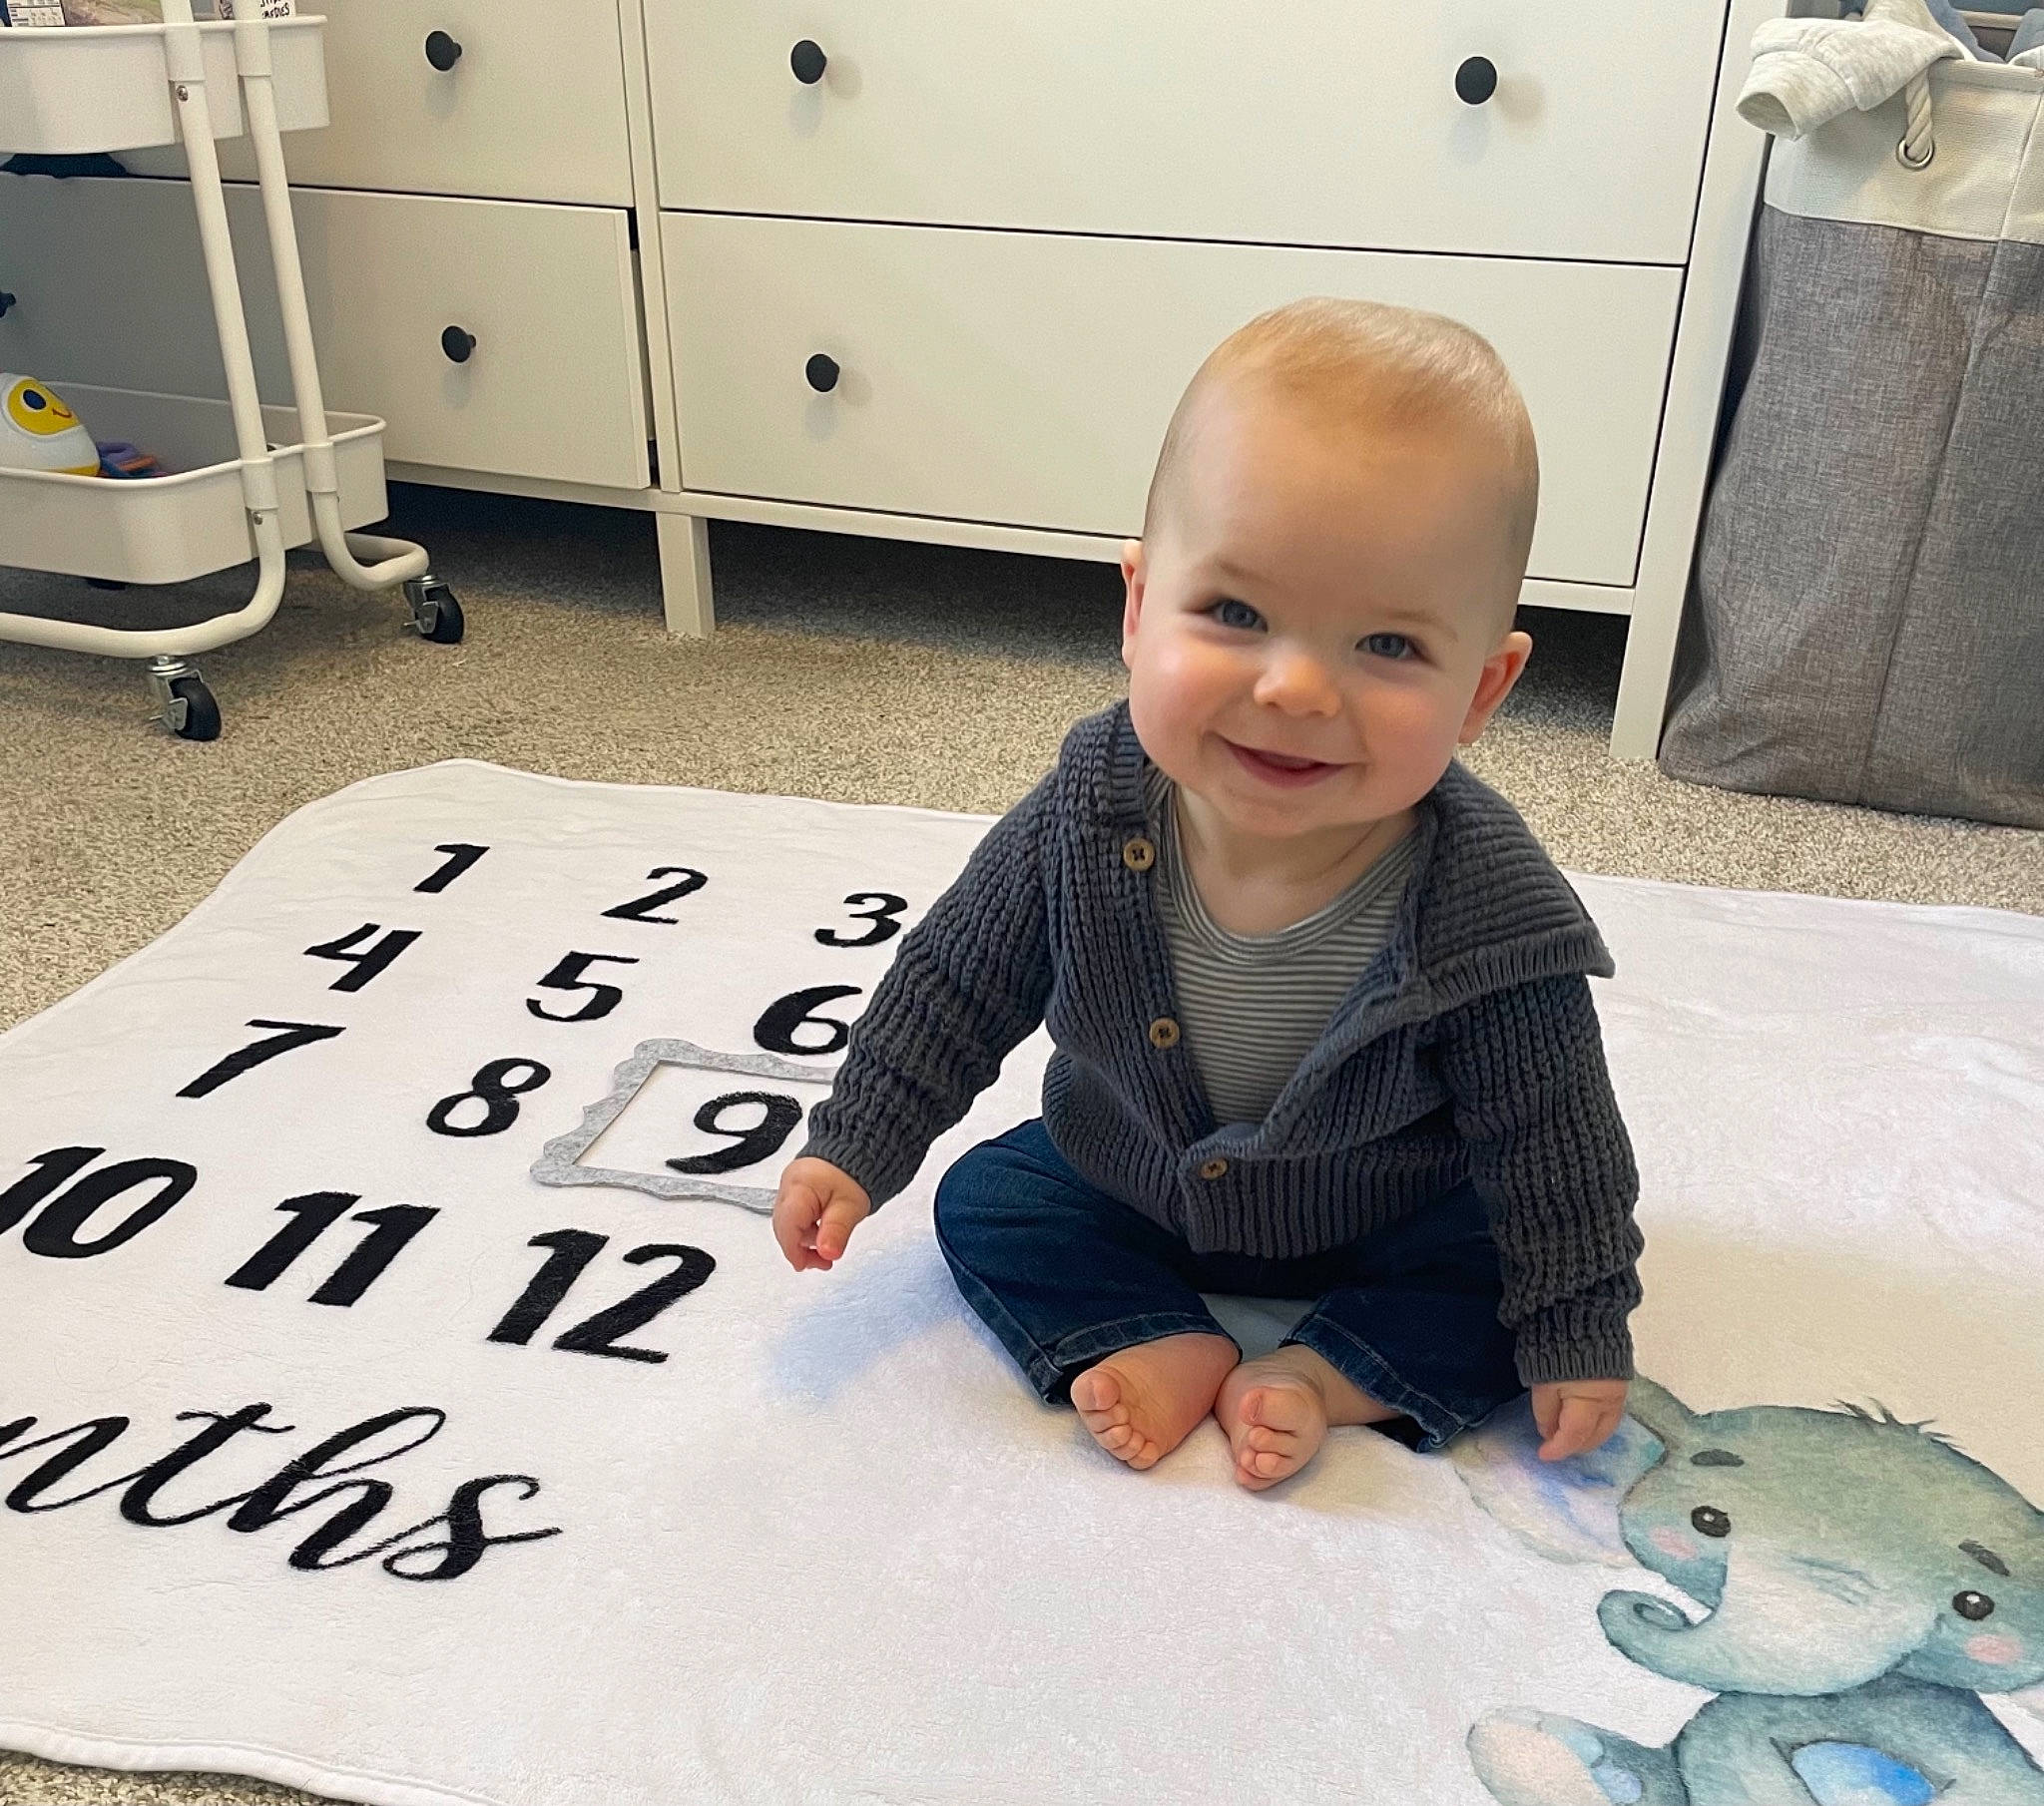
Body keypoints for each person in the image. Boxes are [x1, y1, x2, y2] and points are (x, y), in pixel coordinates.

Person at [770, 296, 1642, 1491]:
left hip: (1385, 1214)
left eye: (1386, 646)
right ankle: (1153, 1331)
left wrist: (1579, 1324)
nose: (1291, 688)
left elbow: (1556, 1138)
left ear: (1481, 690)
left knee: (1515, 1271)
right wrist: (858, 1143)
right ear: (1137, 610)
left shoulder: (1487, 905)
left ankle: (1327, 1371)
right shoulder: (1088, 810)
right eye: (1234, 614)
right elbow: (955, 980)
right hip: (1125, 1177)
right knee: (988, 1199)